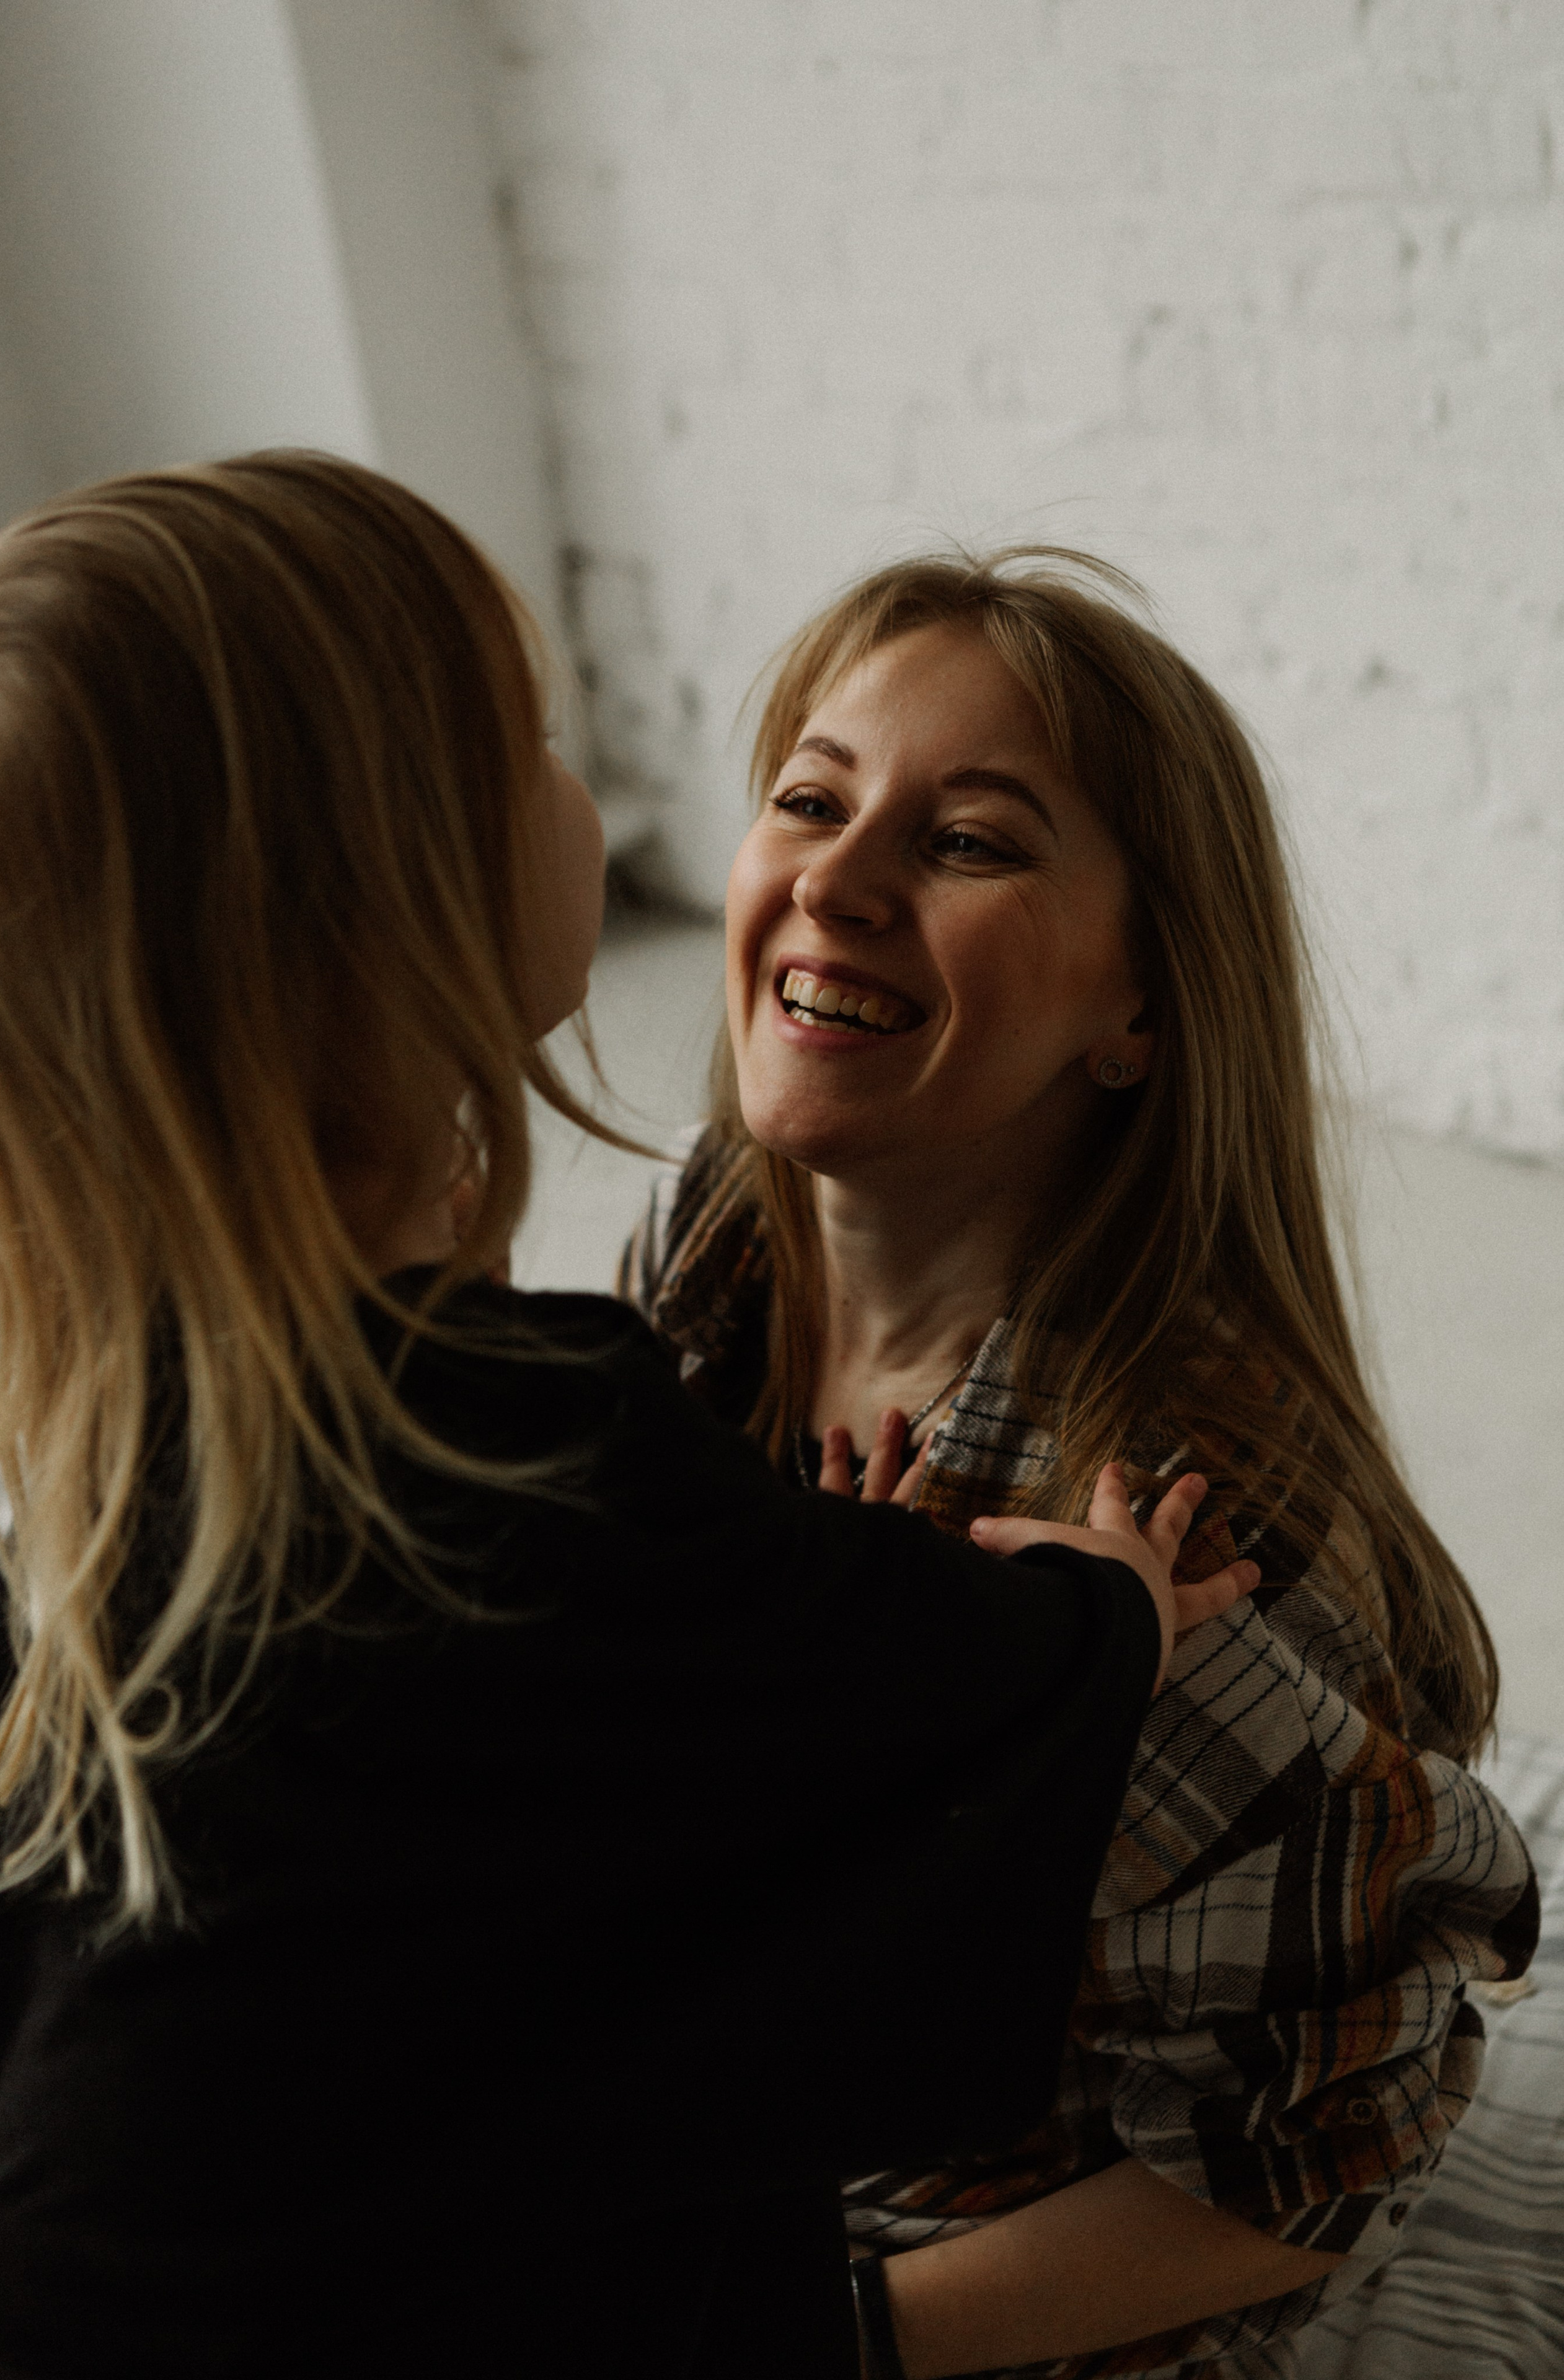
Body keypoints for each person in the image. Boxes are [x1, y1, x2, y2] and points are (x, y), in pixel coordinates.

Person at [0, 462, 1256, 2380]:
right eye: (534, 747)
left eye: (964, 839)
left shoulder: (118, 1427)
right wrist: (1115, 1610)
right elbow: (920, 1682)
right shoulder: (521, 1447)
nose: (830, 877)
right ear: (396, 907)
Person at [622, 549, 1540, 2380]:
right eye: (810, 799)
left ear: (1140, 1015)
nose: (836, 881)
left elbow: (1331, 2145)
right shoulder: (725, 1244)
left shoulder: (1170, 1529)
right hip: (739, 2115)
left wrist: (828, 2340)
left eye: (966, 841)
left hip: (955, 2275)